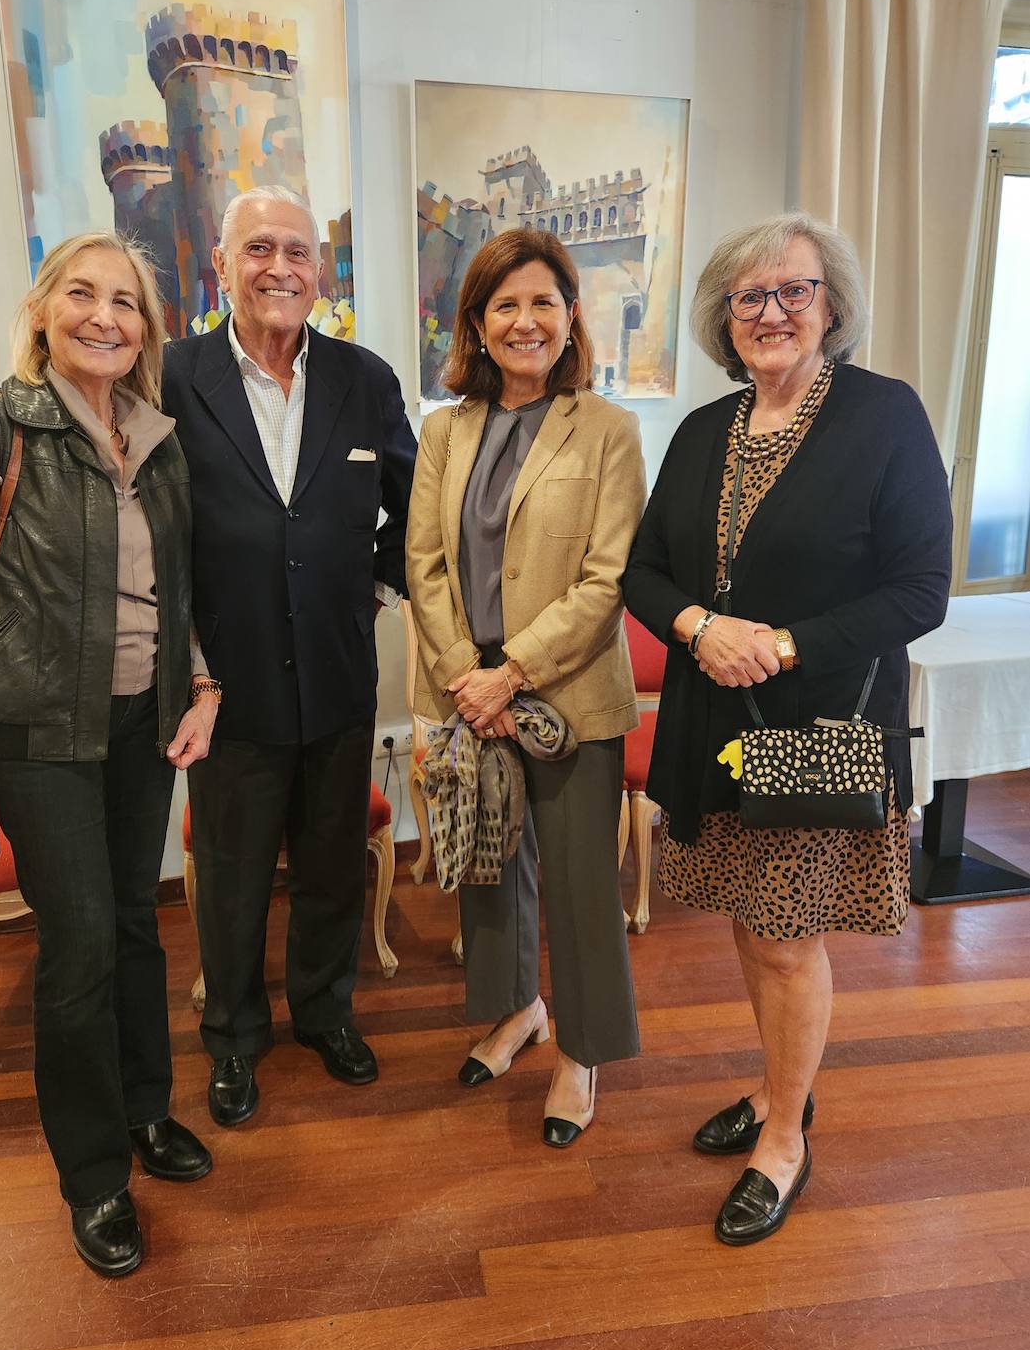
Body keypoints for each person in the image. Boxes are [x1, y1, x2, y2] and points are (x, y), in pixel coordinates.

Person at [0, 187, 417, 1126]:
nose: (279, 268)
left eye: (298, 251)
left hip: (341, 673)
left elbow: (410, 506)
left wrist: (374, 590)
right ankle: (230, 1037)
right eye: (256, 248)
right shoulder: (166, 377)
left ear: (321, 270)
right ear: (220, 268)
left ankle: (325, 1010)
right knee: (225, 871)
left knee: (333, 862)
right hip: (213, 686)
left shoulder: (367, 380)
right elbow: (60, 423)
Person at [621, 212, 952, 1244]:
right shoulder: (701, 430)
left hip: (811, 723)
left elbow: (918, 591)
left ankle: (783, 1142)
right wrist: (694, 626)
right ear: (725, 318)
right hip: (709, 720)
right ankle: (778, 1090)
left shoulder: (880, 416)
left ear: (829, 305)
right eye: (748, 297)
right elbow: (643, 570)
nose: (769, 312)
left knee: (781, 936)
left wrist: (779, 643)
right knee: (747, 923)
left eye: (792, 291)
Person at [0, 232, 215, 1277]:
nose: (104, 317)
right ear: (42, 310)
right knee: (78, 946)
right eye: (81, 294)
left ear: (147, 328)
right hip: (33, 733)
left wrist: (201, 684)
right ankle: (94, 1178)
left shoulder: (154, 435)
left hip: (139, 724)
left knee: (134, 922)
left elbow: (180, 583)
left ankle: (143, 1112)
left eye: (125, 302)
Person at [406, 227, 646, 1147]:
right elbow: (423, 561)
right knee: (489, 871)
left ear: (570, 314)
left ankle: (579, 1053)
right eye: (504, 304)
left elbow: (605, 576)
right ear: (475, 321)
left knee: (582, 886)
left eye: (543, 301)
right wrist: (468, 679)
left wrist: (511, 675)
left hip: (566, 694)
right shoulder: (445, 428)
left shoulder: (610, 430)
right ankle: (517, 1012)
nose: (524, 320)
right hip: (469, 695)